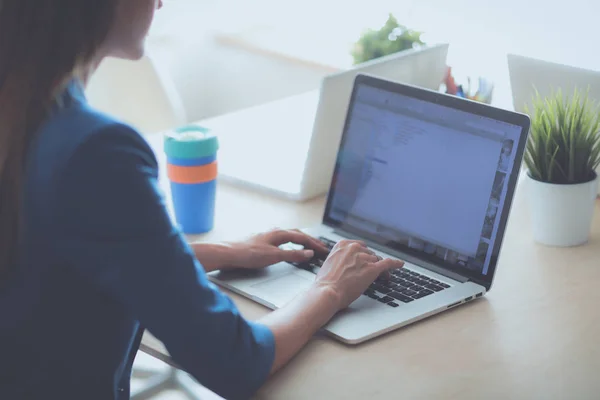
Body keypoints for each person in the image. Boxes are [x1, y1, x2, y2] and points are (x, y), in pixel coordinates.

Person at [0, 1, 404, 399]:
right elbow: (234, 361)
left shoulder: (25, 117)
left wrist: (223, 252)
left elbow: (51, 260)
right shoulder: (94, 150)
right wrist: (330, 286)